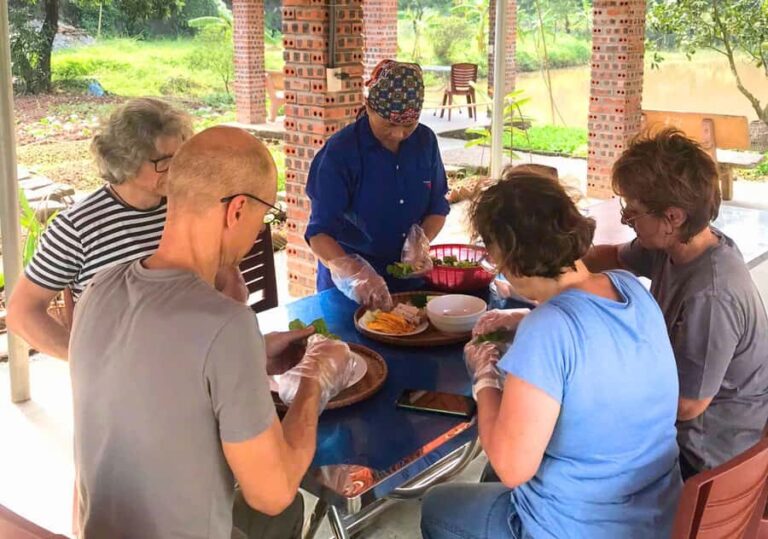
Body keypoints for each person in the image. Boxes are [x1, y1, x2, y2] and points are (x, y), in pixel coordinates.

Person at [69, 126, 354, 538]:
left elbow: (152, 377)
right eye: (264, 216)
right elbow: (271, 491)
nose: (259, 232)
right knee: (283, 503)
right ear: (237, 210)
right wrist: (315, 380)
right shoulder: (225, 322)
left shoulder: (99, 288)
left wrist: (253, 354)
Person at [421, 168, 682, 539]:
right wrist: (523, 316)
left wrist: (485, 379)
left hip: (580, 527)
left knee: (439, 504)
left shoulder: (547, 331)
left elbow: (513, 468)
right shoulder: (629, 287)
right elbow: (593, 337)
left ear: (508, 257)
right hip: (658, 513)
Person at [584, 128, 768, 479]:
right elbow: (612, 257)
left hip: (702, 459)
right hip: (678, 432)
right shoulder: (678, 245)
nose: (628, 221)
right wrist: (554, 264)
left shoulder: (712, 295)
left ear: (673, 216)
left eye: (633, 213)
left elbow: (687, 406)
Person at [6, 97, 246, 360]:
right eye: (165, 161)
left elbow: (230, 284)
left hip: (193, 365)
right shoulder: (78, 228)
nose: (179, 169)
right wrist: (86, 360)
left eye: (183, 157)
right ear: (126, 161)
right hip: (121, 384)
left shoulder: (188, 206)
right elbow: (22, 312)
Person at [305, 59, 450, 309]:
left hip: (409, 284)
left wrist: (420, 242)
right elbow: (319, 234)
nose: (398, 134)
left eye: (408, 125)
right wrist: (355, 273)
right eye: (390, 124)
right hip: (350, 291)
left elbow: (438, 206)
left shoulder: (425, 142)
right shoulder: (341, 152)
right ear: (369, 107)